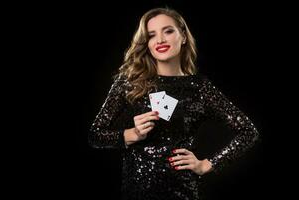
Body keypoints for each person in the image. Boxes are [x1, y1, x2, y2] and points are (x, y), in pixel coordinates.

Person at [89, 7, 259, 200]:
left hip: (182, 191)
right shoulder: (129, 83)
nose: (160, 40)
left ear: (183, 36)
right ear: (146, 43)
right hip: (136, 192)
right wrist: (132, 134)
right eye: (152, 35)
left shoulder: (199, 87)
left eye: (168, 31)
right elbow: (95, 135)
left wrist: (207, 164)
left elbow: (248, 131)